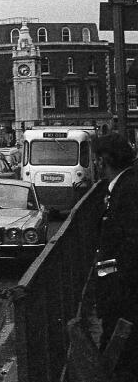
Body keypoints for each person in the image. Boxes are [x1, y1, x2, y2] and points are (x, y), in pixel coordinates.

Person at [92, 132, 138, 377]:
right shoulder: (121, 186)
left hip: (123, 299)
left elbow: (130, 245)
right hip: (119, 294)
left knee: (118, 361)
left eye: (97, 159)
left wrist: (111, 282)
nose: (95, 165)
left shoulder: (127, 191)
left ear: (104, 160)